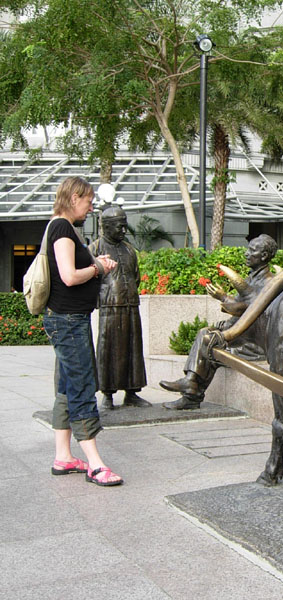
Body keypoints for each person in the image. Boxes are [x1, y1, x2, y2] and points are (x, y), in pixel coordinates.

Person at [44, 176, 123, 486]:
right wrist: (98, 268)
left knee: (66, 386)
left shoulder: (59, 227)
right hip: (69, 321)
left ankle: (63, 457)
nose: (91, 207)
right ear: (73, 197)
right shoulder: (62, 228)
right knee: (81, 385)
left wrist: (94, 263)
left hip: (67, 319)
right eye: (88, 201)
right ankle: (95, 464)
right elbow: (69, 276)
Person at [159, 234, 278, 409]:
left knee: (207, 338)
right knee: (208, 335)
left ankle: (190, 389)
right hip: (242, 333)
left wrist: (222, 296)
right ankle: (190, 389)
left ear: (264, 256)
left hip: (254, 343)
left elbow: (248, 309)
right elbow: (240, 310)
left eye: (252, 250)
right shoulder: (251, 279)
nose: (246, 253)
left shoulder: (269, 283)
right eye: (248, 249)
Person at [89, 204, 150, 410]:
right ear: (106, 227)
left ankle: (132, 392)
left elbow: (136, 277)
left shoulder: (128, 249)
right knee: (109, 349)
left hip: (130, 304)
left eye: (124, 226)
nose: (124, 231)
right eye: (119, 227)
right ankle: (107, 394)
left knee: (133, 349)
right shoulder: (95, 249)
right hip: (110, 306)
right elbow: (90, 279)